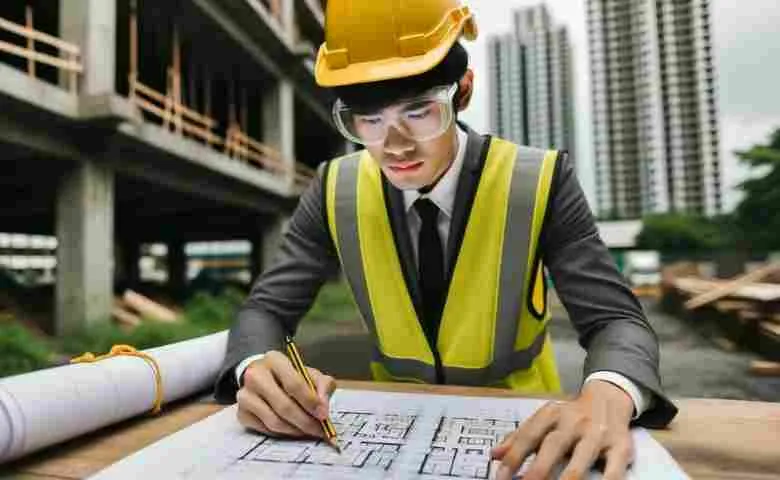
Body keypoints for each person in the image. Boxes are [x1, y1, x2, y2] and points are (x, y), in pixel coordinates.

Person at [214, 1, 677, 478]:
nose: (394, 145)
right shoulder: (334, 188)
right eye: (368, 122)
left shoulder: (539, 180)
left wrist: (609, 392)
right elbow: (267, 309)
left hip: (519, 425)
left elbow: (616, 320)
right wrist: (254, 366)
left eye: (419, 113)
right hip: (390, 428)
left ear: (464, 92)